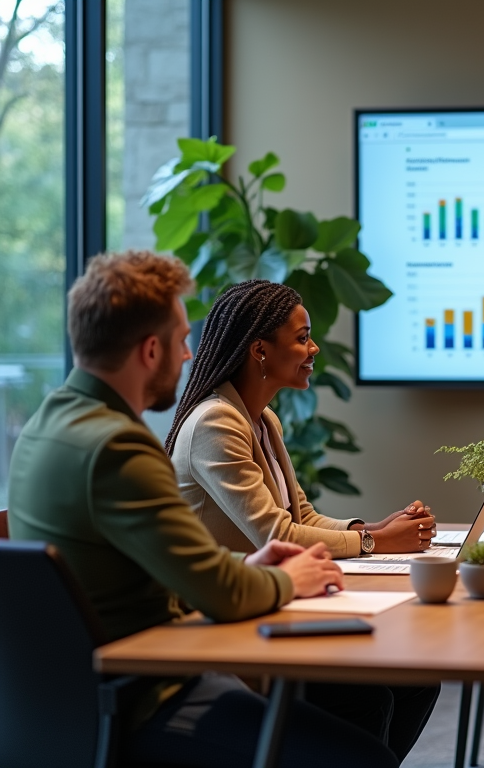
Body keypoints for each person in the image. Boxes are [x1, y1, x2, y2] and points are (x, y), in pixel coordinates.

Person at [6, 252, 421, 767]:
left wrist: (248, 567)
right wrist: (290, 579)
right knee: (362, 756)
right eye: (181, 341)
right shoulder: (118, 450)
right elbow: (220, 595)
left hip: (69, 703)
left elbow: (178, 568)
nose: (188, 356)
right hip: (147, 699)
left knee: (367, 706)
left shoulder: (46, 427)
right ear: (150, 349)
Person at [165, 279, 436, 559]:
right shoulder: (216, 423)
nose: (314, 348)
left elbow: (302, 518)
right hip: (212, 597)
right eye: (302, 338)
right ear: (260, 351)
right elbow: (277, 536)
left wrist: (374, 529)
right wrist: (375, 542)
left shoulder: (265, 420)